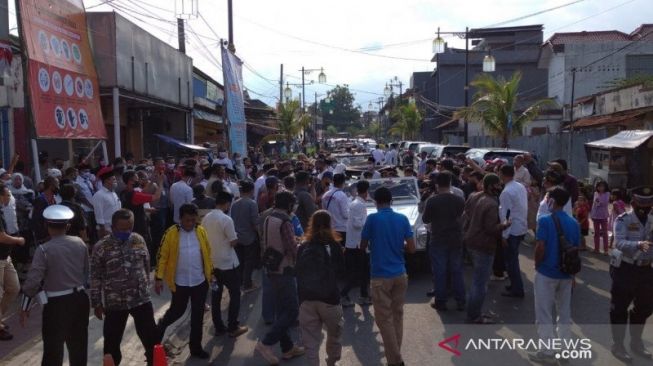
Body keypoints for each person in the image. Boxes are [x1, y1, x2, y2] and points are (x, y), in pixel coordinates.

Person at [20, 205, 87, 365]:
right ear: (68, 226)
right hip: (80, 299)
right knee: (79, 347)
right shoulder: (79, 243)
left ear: (46, 226)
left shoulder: (43, 250)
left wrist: (24, 307)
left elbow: (32, 282)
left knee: (53, 350)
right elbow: (86, 271)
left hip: (56, 304)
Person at [90, 209, 157, 366]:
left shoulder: (138, 240)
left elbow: (146, 265)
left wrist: (146, 284)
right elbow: (95, 277)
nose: (127, 231)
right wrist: (97, 303)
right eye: (122, 228)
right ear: (113, 227)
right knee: (111, 345)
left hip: (140, 299)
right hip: (115, 302)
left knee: (151, 338)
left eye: (130, 227)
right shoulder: (101, 247)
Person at [361, 187, 416, 366]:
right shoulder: (402, 219)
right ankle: (395, 358)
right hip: (400, 273)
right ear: (391, 201)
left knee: (384, 319)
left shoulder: (372, 219)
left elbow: (363, 246)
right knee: (397, 316)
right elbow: (412, 248)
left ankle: (395, 360)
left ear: (376, 202)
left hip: (379, 276)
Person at [528, 187, 579, 364]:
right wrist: (573, 276)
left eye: (547, 197)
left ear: (552, 201)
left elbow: (540, 247)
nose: (546, 200)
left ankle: (547, 352)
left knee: (544, 313)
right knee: (564, 313)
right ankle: (564, 349)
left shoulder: (545, 220)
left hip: (546, 273)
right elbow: (575, 251)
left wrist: (537, 264)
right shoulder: (574, 223)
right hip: (566, 274)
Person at [156, 204, 213, 359]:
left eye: (193, 221)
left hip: (200, 282)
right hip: (180, 282)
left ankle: (196, 348)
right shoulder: (171, 233)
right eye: (187, 220)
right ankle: (156, 337)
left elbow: (207, 253)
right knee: (176, 312)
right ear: (180, 219)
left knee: (197, 315)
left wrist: (211, 273)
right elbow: (163, 256)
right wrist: (158, 278)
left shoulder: (200, 231)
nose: (190, 224)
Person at [256, 191, 305, 365]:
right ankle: (266, 343)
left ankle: (287, 348)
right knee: (292, 311)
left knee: (282, 310)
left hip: (271, 268)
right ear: (290, 205)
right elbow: (293, 248)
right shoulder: (285, 221)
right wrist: (302, 243)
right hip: (284, 269)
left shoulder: (269, 217)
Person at [609, 186, 653, 363]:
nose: (645, 207)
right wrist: (638, 244)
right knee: (619, 308)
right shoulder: (623, 219)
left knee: (645, 307)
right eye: (641, 203)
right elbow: (618, 243)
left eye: (648, 203)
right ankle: (618, 345)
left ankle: (636, 342)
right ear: (633, 203)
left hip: (646, 269)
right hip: (625, 269)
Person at [296, 210, 345, 366]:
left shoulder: (303, 247)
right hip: (330, 299)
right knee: (334, 335)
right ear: (330, 224)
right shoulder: (335, 245)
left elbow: (298, 271)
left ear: (312, 224)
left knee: (310, 341)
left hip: (306, 300)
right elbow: (342, 271)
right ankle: (331, 362)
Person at [463, 174, 510, 324]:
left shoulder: (473, 196)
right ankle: (474, 315)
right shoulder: (491, 203)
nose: (499, 187)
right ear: (491, 186)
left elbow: (468, 214)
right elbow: (491, 228)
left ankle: (472, 310)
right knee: (480, 283)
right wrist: (505, 225)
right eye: (497, 184)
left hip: (470, 241)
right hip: (483, 245)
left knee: (477, 280)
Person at [201, 192, 249, 338]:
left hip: (212, 264)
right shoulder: (226, 219)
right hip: (228, 264)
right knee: (235, 294)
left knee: (216, 296)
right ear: (227, 203)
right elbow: (234, 241)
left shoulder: (206, 218)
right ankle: (233, 326)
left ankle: (219, 327)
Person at [422, 171, 466, 311]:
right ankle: (461, 300)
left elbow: (425, 219)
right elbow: (463, 217)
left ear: (436, 184)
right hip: (455, 238)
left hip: (438, 239)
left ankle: (441, 301)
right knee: (457, 270)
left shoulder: (432, 200)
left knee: (439, 271)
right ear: (450, 183)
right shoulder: (459, 199)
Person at [498, 165, 528, 298]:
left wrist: (504, 235)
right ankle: (514, 285)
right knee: (512, 259)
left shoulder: (506, 192)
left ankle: (517, 289)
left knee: (511, 262)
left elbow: (506, 215)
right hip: (521, 227)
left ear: (502, 174)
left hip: (511, 231)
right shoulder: (519, 186)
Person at [341, 180, 371, 307]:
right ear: (366, 191)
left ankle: (364, 295)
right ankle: (343, 295)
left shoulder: (357, 203)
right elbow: (357, 224)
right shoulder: (359, 205)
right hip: (357, 244)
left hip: (356, 243)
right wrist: (370, 225)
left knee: (363, 271)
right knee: (357, 273)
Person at [0, 185, 23, 340]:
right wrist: (18, 240)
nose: (9, 197)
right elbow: (1, 237)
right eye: (7, 195)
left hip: (5, 257)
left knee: (13, 288)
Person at [230, 180, 260, 292]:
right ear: (252, 190)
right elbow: (255, 222)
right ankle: (247, 284)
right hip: (249, 237)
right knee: (249, 262)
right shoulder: (252, 203)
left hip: (237, 237)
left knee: (240, 261)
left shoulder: (235, 203)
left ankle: (240, 282)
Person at [92, 167, 121, 239]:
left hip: (118, 229)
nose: (116, 181)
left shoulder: (113, 193)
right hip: (107, 231)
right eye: (113, 179)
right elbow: (99, 218)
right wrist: (104, 234)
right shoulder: (99, 195)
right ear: (107, 180)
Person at [321, 173, 349, 244]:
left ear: (333, 182)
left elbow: (324, 211)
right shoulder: (342, 195)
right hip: (341, 229)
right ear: (343, 182)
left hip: (329, 228)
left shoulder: (325, 195)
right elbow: (345, 215)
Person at [32, 176, 61, 244]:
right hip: (45, 238)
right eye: (57, 184)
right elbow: (36, 220)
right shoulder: (40, 200)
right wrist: (44, 236)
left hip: (55, 235)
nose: (58, 187)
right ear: (51, 186)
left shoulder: (55, 199)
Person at [590, 181, 610, 255]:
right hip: (596, 215)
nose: (601, 188)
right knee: (596, 233)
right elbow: (594, 204)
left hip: (604, 215)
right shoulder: (596, 193)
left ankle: (606, 250)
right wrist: (592, 214)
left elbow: (605, 202)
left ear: (605, 187)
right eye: (599, 186)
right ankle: (596, 249)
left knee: (605, 233)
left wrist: (598, 201)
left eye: (602, 186)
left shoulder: (607, 193)